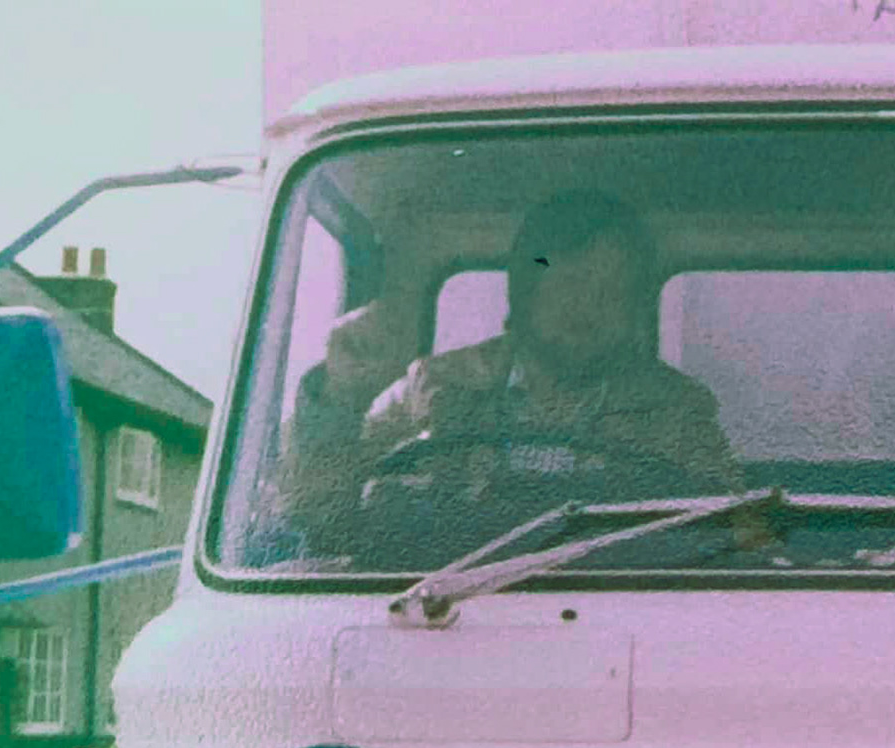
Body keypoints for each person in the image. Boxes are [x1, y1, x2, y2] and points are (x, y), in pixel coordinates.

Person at [280, 191, 746, 545]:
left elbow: (734, 537)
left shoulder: (677, 409)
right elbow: (319, 513)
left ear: (635, 309)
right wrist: (340, 395)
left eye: (613, 291)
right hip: (450, 624)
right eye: (570, 281)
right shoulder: (431, 387)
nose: (589, 307)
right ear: (524, 289)